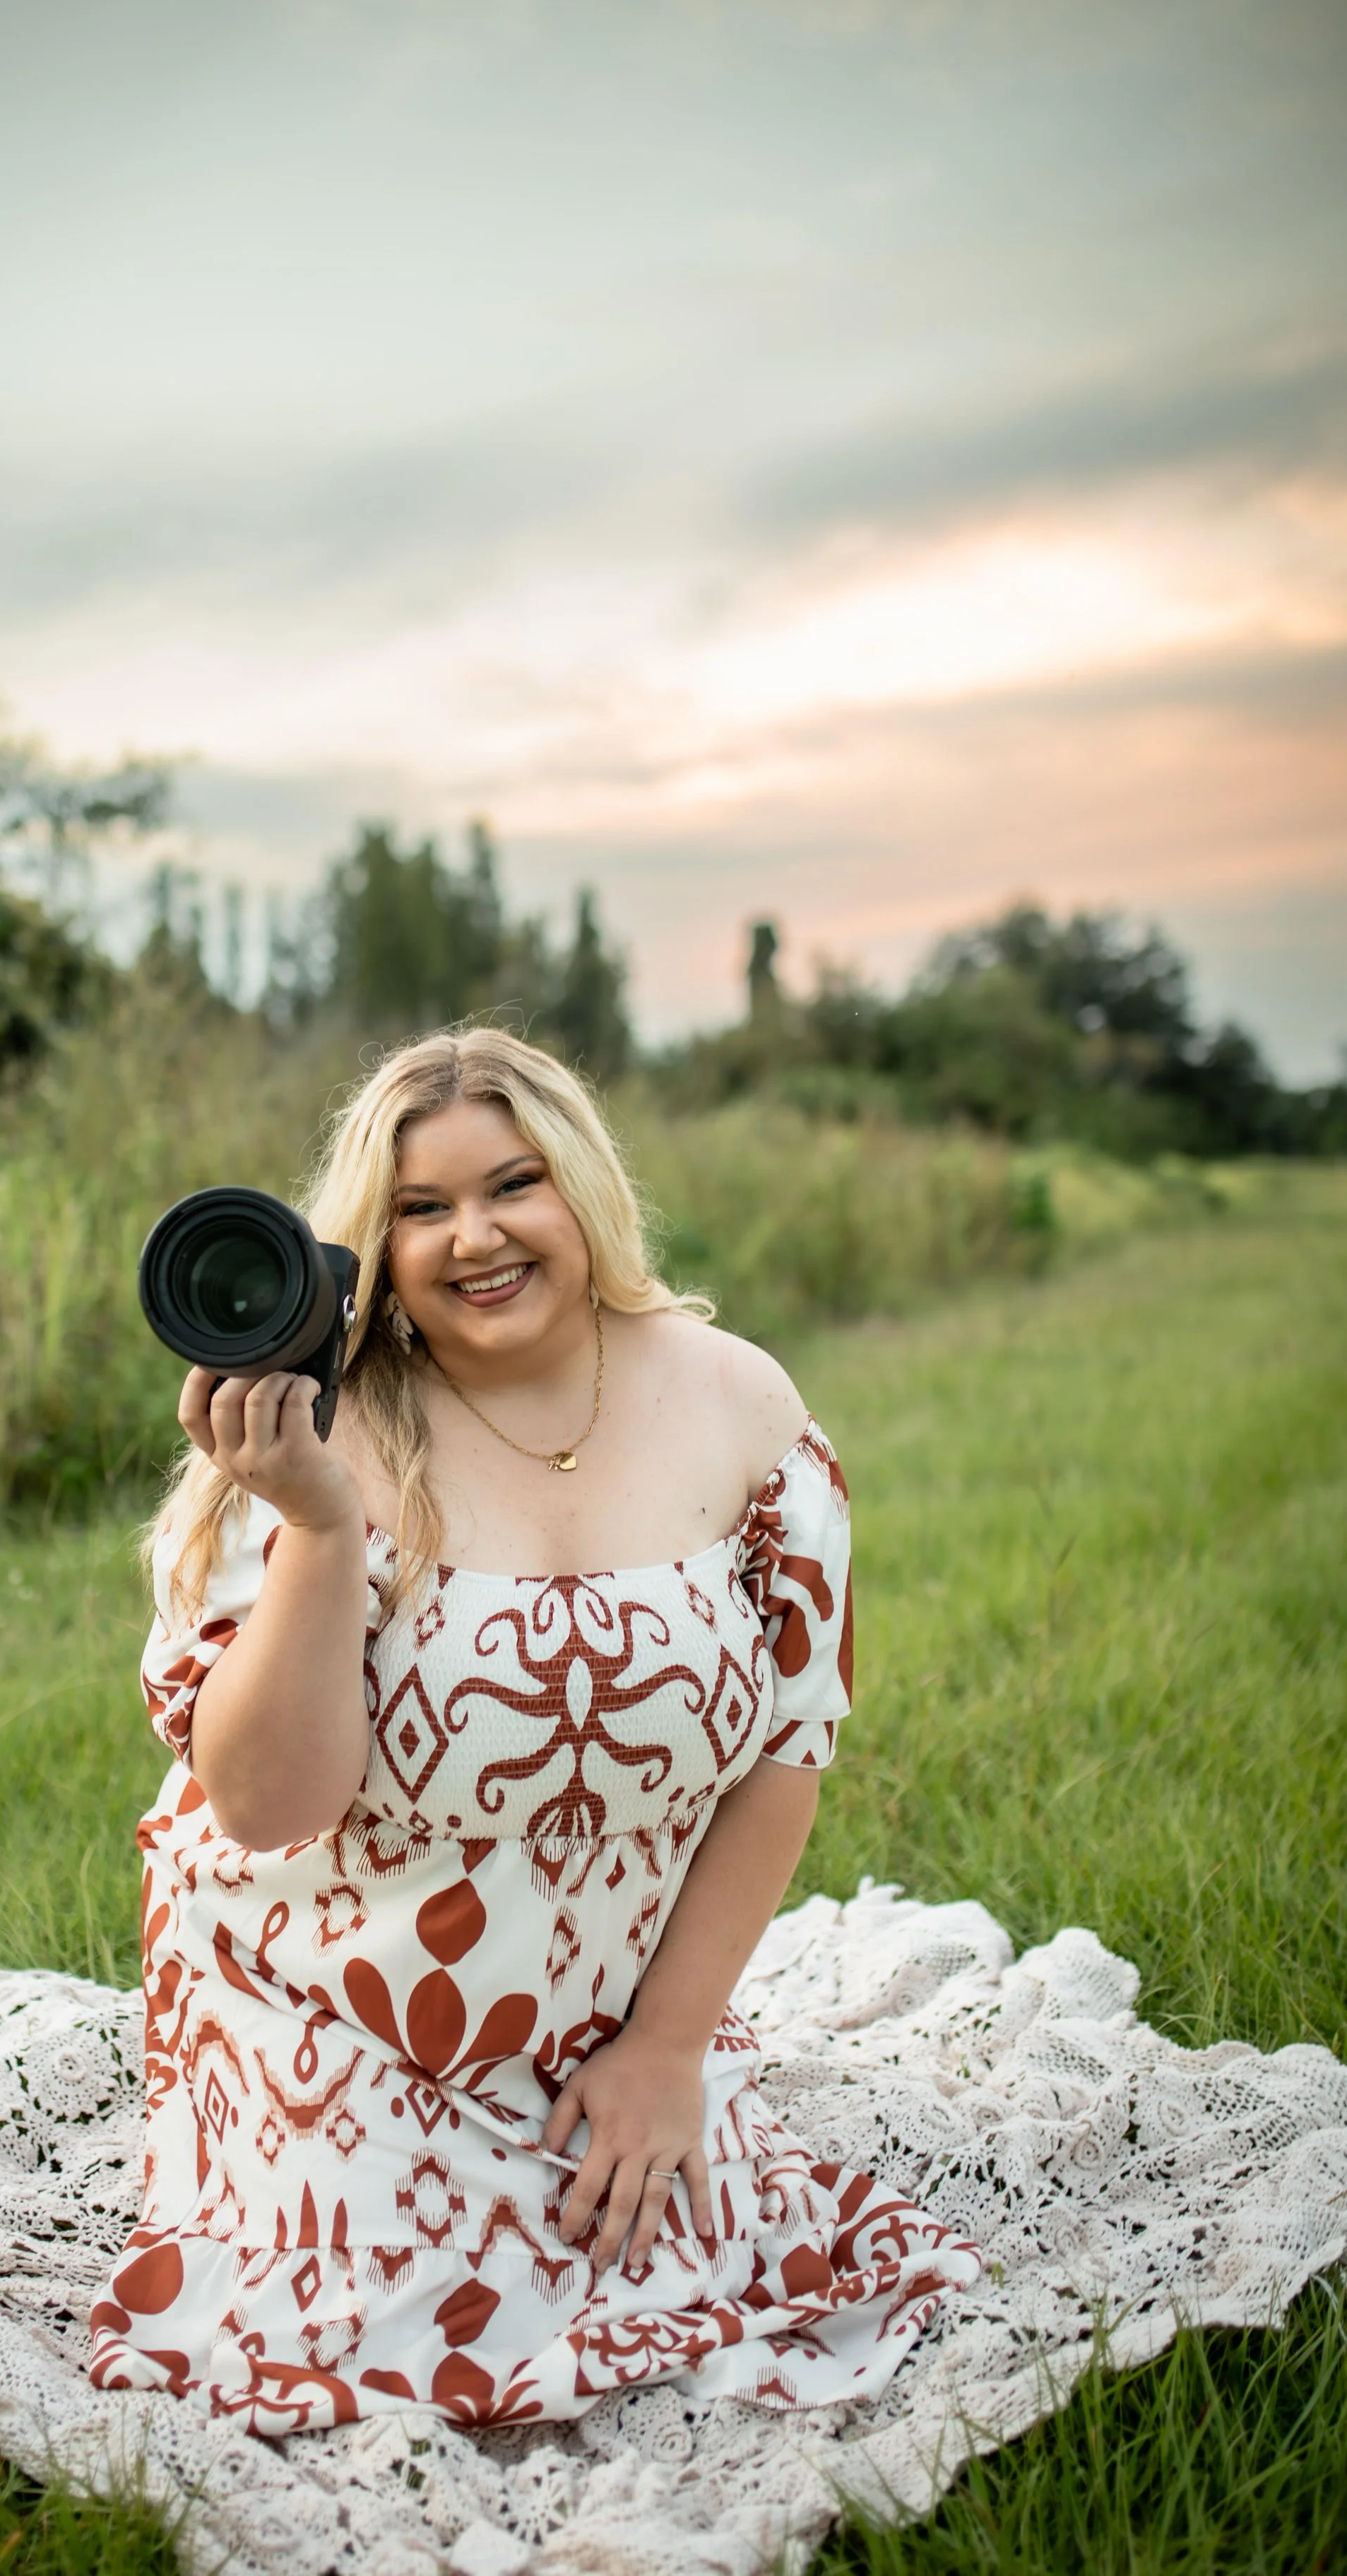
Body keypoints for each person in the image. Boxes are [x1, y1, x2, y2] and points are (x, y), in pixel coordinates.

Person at [89, 1029, 980, 2430]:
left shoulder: (739, 1403)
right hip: (331, 1998)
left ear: (581, 1187)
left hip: (616, 2008)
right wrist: (321, 1523)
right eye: (420, 1208)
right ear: (369, 1246)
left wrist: (669, 2047)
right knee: (371, 2342)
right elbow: (265, 1808)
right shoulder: (319, 1434)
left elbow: (784, 1752)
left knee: (701, 2274)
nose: (474, 1238)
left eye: (512, 1185)